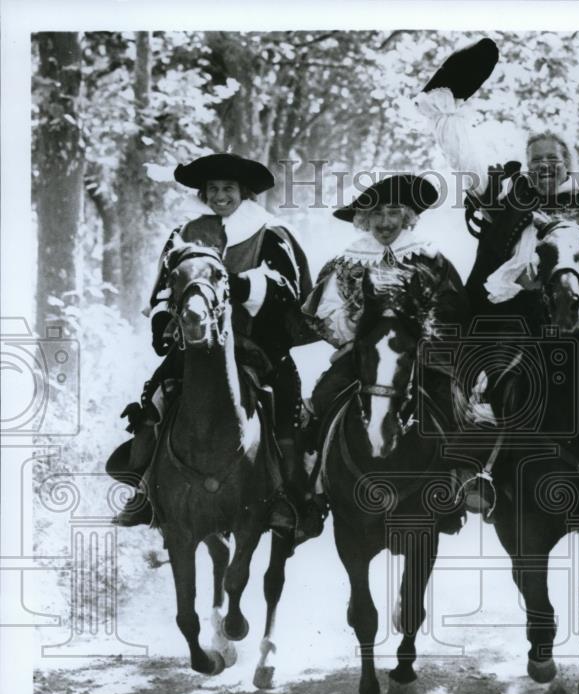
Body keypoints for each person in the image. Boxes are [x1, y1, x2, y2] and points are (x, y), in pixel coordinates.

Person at [415, 39, 579, 512]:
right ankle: (476, 472)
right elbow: (466, 163)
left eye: (553, 160)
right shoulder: (510, 201)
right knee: (480, 379)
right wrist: (445, 110)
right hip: (516, 318)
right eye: (536, 160)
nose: (544, 168)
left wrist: (578, 277)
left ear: (568, 165)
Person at [109, 152, 325, 543]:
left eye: (228, 188)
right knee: (155, 397)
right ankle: (144, 487)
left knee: (285, 408)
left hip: (257, 342)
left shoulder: (269, 232)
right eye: (213, 189)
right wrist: (161, 320)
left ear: (244, 192)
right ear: (203, 193)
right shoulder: (186, 233)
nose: (220, 196)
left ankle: (288, 497)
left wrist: (235, 285)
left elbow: (286, 289)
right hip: (196, 343)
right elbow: (164, 288)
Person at [300, 174, 470, 532]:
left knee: (450, 399)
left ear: (407, 216)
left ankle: (456, 482)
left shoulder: (430, 259)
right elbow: (328, 311)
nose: (385, 221)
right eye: (376, 213)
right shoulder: (347, 262)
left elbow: (450, 309)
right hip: (364, 355)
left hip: (422, 354)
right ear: (364, 219)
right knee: (323, 396)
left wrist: (423, 339)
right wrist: (353, 333)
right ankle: (313, 486)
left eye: (393, 212)